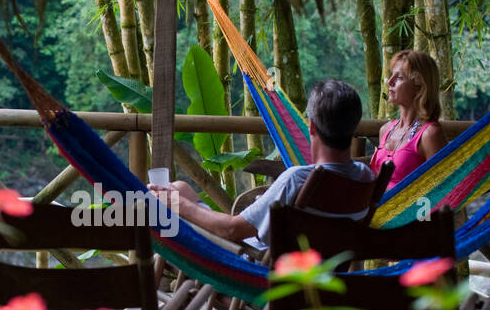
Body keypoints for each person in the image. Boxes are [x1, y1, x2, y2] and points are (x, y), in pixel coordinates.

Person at [150, 79, 373, 250]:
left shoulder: (297, 179)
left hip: (251, 266)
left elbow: (231, 230)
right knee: (180, 188)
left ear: (312, 127)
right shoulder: (365, 177)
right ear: (354, 128)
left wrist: (179, 205)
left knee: (163, 206)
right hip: (319, 274)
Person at [370, 50, 447, 186]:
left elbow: (442, 190)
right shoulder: (386, 130)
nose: (390, 82)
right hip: (379, 206)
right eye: (391, 75)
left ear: (419, 86)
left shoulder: (429, 134)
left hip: (414, 206)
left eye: (399, 77)